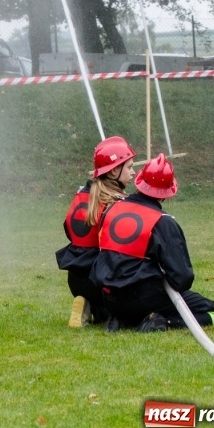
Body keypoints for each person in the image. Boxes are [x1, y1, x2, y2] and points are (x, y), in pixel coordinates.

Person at [91, 153, 214, 332]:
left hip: (110, 299)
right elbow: (182, 279)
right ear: (167, 192)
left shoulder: (112, 209)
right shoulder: (162, 222)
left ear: (141, 182)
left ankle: (123, 319)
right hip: (143, 299)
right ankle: (164, 323)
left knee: (135, 298)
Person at [56, 136, 137, 328]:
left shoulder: (81, 195)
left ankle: (87, 302)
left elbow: (69, 231)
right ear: (115, 170)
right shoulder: (117, 203)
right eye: (129, 167)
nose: (133, 172)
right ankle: (102, 306)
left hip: (76, 280)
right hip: (101, 282)